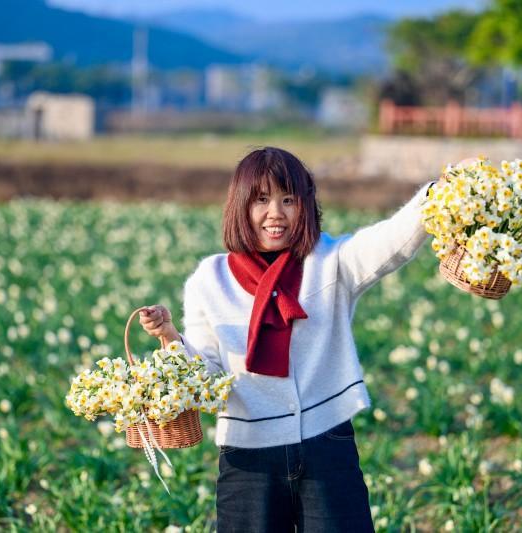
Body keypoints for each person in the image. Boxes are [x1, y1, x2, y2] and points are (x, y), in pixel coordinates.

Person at [139, 146, 440, 532]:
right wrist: (169, 336)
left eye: (288, 199)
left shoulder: (330, 261)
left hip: (327, 443)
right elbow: (207, 371)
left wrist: (438, 192)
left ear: (305, 206)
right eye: (261, 200)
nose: (275, 213)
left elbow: (390, 241)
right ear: (240, 206)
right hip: (247, 457)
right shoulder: (209, 279)